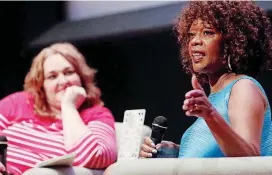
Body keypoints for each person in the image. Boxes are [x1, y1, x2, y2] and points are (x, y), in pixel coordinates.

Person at [140, 1, 272, 158]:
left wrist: (210, 114)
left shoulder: (243, 88)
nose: (195, 41)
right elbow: (219, 154)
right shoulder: (215, 98)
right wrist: (174, 152)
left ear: (231, 42)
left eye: (207, 33)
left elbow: (249, 159)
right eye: (191, 34)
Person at [0, 42, 117, 175]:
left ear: (81, 77)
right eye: (52, 76)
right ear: (41, 85)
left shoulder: (97, 114)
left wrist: (68, 106)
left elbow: (96, 157)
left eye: (68, 72)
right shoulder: (19, 102)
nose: (62, 81)